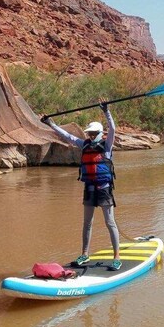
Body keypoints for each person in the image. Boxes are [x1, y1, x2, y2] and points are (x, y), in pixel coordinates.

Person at [42, 101, 122, 271]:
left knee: (110, 222)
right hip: (89, 189)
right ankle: (85, 254)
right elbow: (68, 137)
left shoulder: (106, 145)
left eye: (94, 134)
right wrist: (52, 124)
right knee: (87, 223)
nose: (91, 136)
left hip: (104, 189)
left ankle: (116, 256)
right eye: (90, 134)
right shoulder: (84, 144)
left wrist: (107, 112)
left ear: (101, 134)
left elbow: (113, 129)